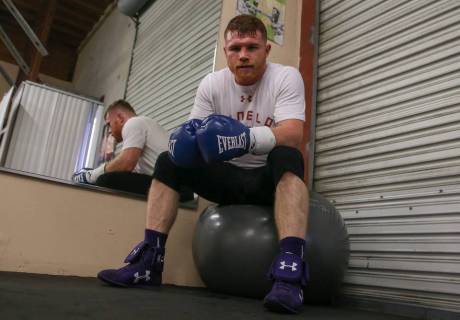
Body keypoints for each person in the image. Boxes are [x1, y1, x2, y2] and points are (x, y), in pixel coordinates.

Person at [97, 15, 310, 314]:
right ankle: (149, 263)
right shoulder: (212, 83)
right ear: (225, 52)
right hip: (225, 180)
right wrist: (182, 145)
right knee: (168, 162)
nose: (244, 55)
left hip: (266, 180)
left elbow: (293, 132)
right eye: (236, 48)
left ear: (267, 50)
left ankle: (290, 274)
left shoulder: (285, 77)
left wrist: (246, 140)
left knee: (288, 154)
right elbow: (193, 135)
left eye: (252, 47)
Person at [72, 99, 168, 196]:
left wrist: (90, 176)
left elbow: (126, 163)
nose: (109, 131)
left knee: (105, 180)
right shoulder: (143, 126)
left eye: (109, 124)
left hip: (172, 185)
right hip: (168, 182)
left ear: (120, 118)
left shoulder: (133, 123)